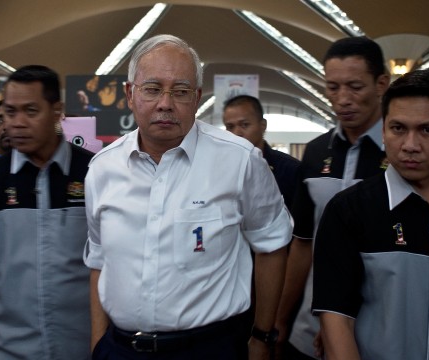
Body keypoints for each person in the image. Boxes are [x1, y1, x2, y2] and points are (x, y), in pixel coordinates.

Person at [84, 34, 292, 359]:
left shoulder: (240, 161)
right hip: (121, 349)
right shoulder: (102, 169)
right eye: (152, 89)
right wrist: (98, 343)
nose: (165, 104)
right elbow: (99, 261)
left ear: (196, 98)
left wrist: (262, 336)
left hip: (209, 349)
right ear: (129, 94)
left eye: (180, 92)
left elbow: (272, 244)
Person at [312, 69, 429, 360]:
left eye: (427, 130)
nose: (410, 145)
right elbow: (336, 318)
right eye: (398, 128)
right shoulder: (350, 211)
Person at [0, 65, 94, 360]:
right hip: (6, 351)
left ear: (57, 111)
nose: (18, 123)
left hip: (82, 350)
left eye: (31, 111)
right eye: (11, 112)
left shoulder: (94, 174)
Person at [274, 36, 390, 359]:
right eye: (333, 87)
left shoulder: (403, 154)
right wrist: (280, 320)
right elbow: (302, 243)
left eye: (355, 86)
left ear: (381, 83)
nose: (343, 99)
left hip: (379, 332)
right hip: (309, 331)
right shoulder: (315, 153)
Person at [222, 95, 300, 209]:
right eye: (230, 127)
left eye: (244, 125)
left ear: (263, 125)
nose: (236, 133)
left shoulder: (290, 170)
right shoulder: (220, 169)